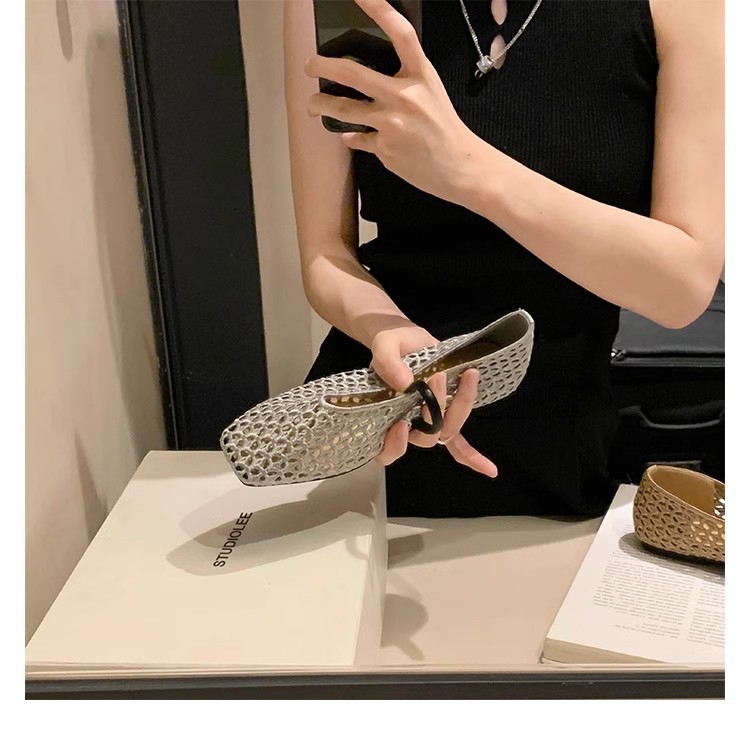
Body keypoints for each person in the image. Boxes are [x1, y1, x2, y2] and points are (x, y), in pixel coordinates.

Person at [283, 0, 724, 518]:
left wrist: (467, 169)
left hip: (563, 444)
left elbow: (682, 286)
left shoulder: (684, 9)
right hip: (384, 423)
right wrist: (386, 329)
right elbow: (326, 251)